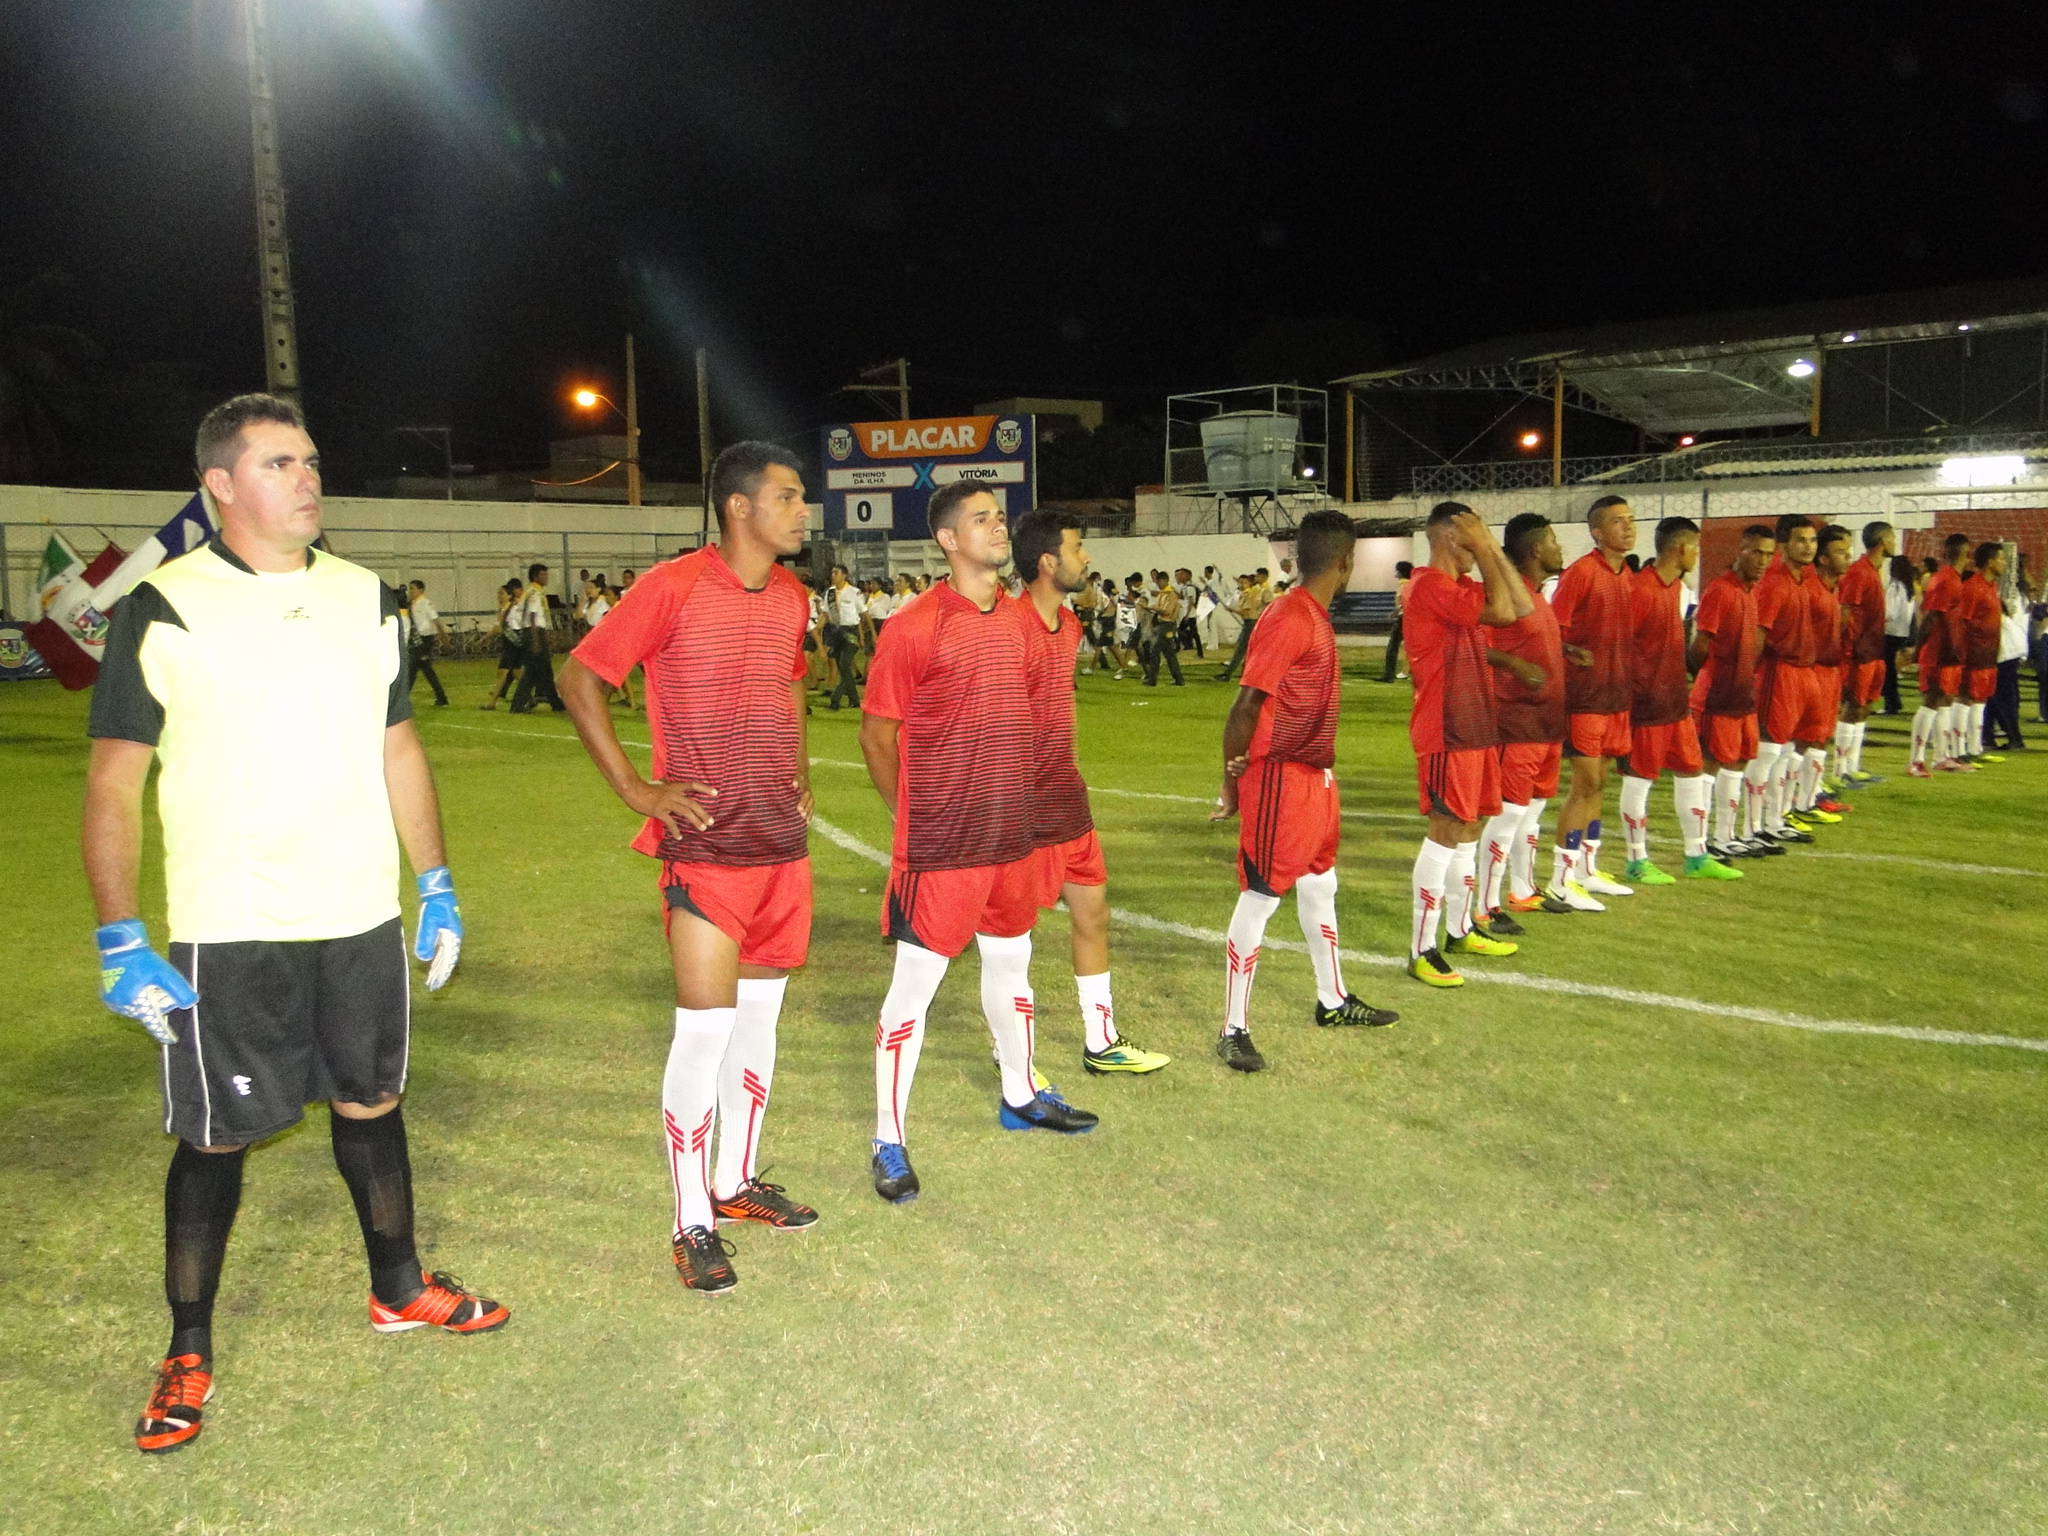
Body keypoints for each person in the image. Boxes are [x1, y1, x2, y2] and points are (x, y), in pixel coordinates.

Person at [86, 393, 503, 1457]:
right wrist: (120, 935)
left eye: (311, 460)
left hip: (359, 913)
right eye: (280, 462)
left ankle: (397, 1289)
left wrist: (437, 879)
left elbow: (398, 746)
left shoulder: (367, 600)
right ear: (221, 484)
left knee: (373, 1100)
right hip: (233, 926)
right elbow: (113, 785)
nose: (308, 477)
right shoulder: (164, 606)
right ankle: (187, 1344)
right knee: (215, 1135)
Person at [559, 442, 819, 1295]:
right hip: (705, 850)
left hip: (780, 845)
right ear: (739, 507)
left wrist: (801, 772)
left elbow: (788, 686)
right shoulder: (670, 587)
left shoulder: (792, 596)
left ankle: (735, 1183)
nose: (802, 511)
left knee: (761, 1027)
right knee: (703, 1034)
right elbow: (581, 676)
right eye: (787, 497)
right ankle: (690, 1222)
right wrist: (636, 786)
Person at [859, 483, 1097, 1204]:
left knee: (1013, 964)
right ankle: (887, 1140)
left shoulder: (1026, 624)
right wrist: (916, 815)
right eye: (981, 520)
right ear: (948, 541)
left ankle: (1021, 1093)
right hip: (944, 846)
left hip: (1011, 836)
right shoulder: (916, 625)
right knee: (913, 993)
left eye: (999, 516)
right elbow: (877, 735)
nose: (997, 528)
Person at [1209, 511, 1399, 1071]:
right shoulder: (1290, 615)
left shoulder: (1310, 615)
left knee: (1322, 885)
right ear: (1346, 563)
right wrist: (1232, 783)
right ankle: (1233, 1027)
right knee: (1262, 896)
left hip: (1316, 776)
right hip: (1280, 778)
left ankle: (1333, 998)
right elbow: (1245, 704)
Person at [1009, 510, 1170, 1075]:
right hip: (1021, 810)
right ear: (1048, 562)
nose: (1088, 558)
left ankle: (1101, 1041)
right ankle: (1015, 1060)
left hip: (1068, 800)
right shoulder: (1009, 625)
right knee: (1011, 941)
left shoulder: (1070, 627)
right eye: (1078, 548)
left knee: (1093, 915)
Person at [1402, 503, 1531, 988]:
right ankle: (1422, 948)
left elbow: (1520, 607)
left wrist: (1491, 547)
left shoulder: (1456, 588)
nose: (1481, 543)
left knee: (1470, 826)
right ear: (1450, 537)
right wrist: (1485, 547)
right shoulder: (1430, 585)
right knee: (1445, 828)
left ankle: (1459, 927)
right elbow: (1500, 611)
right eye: (1472, 533)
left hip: (1474, 725)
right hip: (1446, 728)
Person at [1615, 516, 1745, 885]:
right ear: (1681, 549)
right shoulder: (1641, 589)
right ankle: (1636, 859)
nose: (1698, 555)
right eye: (1697, 548)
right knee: (1640, 780)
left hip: (1675, 703)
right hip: (1646, 706)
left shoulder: (1675, 588)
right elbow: (1622, 647)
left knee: (1692, 771)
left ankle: (1696, 853)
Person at [1543, 495, 1638, 910]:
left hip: (1616, 697)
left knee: (1600, 783)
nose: (1628, 528)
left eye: (1630, 520)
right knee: (1584, 786)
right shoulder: (1581, 573)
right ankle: (1560, 880)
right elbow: (1553, 630)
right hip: (1585, 698)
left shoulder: (1625, 574)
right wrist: (1571, 653)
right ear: (1597, 531)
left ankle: (1587, 870)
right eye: (1618, 521)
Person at [1480, 512, 1573, 921]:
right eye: (1553, 541)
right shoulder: (1502, 597)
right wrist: (1516, 668)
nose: (1559, 549)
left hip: (1547, 724)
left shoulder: (1535, 596)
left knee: (1532, 815)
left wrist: (1566, 654)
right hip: (1516, 724)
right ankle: (1485, 903)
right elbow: (1474, 647)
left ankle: (1522, 887)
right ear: (1536, 549)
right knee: (1509, 815)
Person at [1690, 525, 1779, 859]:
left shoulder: (1750, 590)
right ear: (1741, 549)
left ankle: (1726, 835)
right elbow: (1700, 646)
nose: (1763, 560)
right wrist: (1714, 677)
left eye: (1769, 555)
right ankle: (1704, 841)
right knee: (1710, 764)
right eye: (1756, 552)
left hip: (1742, 693)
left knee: (1738, 761)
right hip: (1718, 693)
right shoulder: (1721, 589)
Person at [1749, 515, 1827, 841]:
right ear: (1784, 545)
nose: (1808, 547)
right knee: (1769, 749)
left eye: (1812, 540)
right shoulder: (1774, 582)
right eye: (1800, 541)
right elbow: (1757, 634)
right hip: (1778, 673)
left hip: (1801, 672)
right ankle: (1752, 828)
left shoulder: (1803, 581)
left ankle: (1774, 820)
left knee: (1785, 750)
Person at [1833, 521, 1894, 783]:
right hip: (1858, 653)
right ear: (1882, 541)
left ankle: (1853, 765)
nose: (1895, 542)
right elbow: (1845, 611)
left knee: (1864, 708)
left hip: (1873, 651)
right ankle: (1840, 769)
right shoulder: (1859, 572)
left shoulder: (1874, 571)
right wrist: (1847, 648)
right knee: (1852, 707)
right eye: (1892, 537)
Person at [1909, 532, 1973, 774]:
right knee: (1932, 700)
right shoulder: (1946, 579)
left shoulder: (1952, 578)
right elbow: (1931, 618)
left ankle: (1941, 756)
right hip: (1938, 652)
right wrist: (1918, 650)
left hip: (1949, 651)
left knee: (1946, 699)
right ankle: (1915, 760)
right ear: (1966, 554)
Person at [1955, 541, 2009, 764]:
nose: (2004, 563)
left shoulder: (1991, 587)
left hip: (1988, 655)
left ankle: (1975, 747)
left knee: (1981, 700)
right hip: (1973, 655)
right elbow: (1962, 622)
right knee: (1965, 700)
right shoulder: (1973, 588)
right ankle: (1959, 749)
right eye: (2001, 559)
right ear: (1990, 562)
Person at [1988, 553, 2030, 750]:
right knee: (1994, 695)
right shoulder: (1996, 590)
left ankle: (2014, 737)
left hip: (2004, 650)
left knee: (2000, 696)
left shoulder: (1992, 591)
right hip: (2011, 647)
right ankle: (1988, 734)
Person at [509, 562, 563, 713]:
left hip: (535, 632)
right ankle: (517, 705)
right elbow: (532, 617)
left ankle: (556, 703)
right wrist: (536, 641)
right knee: (532, 671)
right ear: (535, 576)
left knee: (546, 670)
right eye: (543, 574)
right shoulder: (534, 593)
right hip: (534, 633)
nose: (546, 577)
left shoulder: (533, 591)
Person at [822, 564, 864, 710]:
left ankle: (835, 699)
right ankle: (854, 700)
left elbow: (863, 614)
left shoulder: (854, 592)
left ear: (844, 575)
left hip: (850, 632)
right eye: (832, 572)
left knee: (845, 665)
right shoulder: (830, 593)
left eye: (836, 572)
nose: (833, 575)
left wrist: (864, 635)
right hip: (836, 632)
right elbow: (825, 613)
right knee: (842, 668)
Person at [1882, 554, 1919, 716]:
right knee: (1890, 669)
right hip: (1903, 631)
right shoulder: (1908, 587)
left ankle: (1892, 702)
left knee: (1888, 670)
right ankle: (1893, 701)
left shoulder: (1895, 586)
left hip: (1892, 631)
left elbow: (1890, 612)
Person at [480, 577, 524, 709]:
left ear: (510, 595)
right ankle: (528, 697)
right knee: (516, 672)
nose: (499, 596)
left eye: (502, 594)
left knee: (502, 673)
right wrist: (483, 639)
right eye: (498, 594)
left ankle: (492, 703)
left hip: (513, 645)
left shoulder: (513, 610)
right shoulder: (504, 610)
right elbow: (496, 628)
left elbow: (500, 628)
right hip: (510, 645)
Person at [404, 579, 449, 706]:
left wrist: (443, 636)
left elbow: (435, 619)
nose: (410, 591)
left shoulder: (424, 602)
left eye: (413, 588)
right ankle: (441, 697)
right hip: (417, 640)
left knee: (413, 668)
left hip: (424, 640)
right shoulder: (413, 603)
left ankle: (402, 698)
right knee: (426, 669)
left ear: (421, 590)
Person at [1143, 571, 1186, 686]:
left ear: (1164, 580)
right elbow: (1159, 607)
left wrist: (1153, 609)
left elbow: (1167, 611)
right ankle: (1179, 679)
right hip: (1162, 624)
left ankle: (1152, 679)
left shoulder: (1171, 595)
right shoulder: (1162, 594)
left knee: (1155, 651)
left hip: (1167, 625)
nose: (1157, 584)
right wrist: (1149, 608)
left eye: (1159, 581)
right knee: (1169, 654)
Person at [1380, 561, 1413, 682]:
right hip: (1409, 617)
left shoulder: (1404, 584)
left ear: (1400, 571)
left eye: (1397, 569)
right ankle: (1406, 672)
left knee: (1392, 646)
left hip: (1402, 617)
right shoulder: (1410, 583)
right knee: (1410, 647)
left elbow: (1404, 601)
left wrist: (1394, 612)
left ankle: (1389, 675)